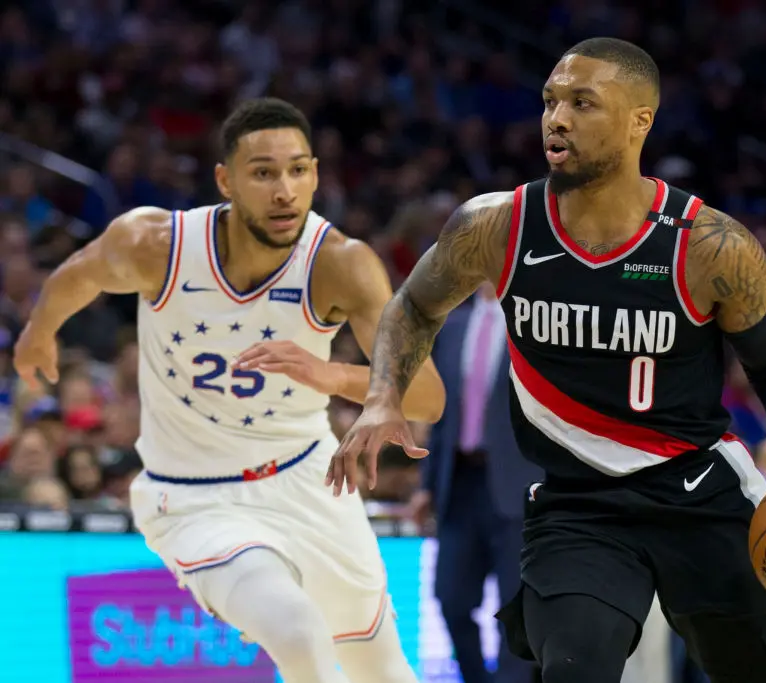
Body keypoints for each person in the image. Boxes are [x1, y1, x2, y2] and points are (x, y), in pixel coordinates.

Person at [334, 38, 766, 683]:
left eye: (583, 102)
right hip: (579, 506)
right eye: (550, 101)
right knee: (574, 665)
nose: (557, 118)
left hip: (700, 492)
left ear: (640, 121)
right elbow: (413, 306)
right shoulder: (496, 227)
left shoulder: (708, 246)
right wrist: (382, 396)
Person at [13, 97, 445, 683]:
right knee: (298, 633)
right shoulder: (157, 245)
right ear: (226, 180)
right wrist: (39, 331)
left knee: (383, 670)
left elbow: (427, 396)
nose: (285, 190)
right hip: (194, 496)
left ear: (316, 173)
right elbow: (78, 274)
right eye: (263, 172)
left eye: (298, 170)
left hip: (307, 478)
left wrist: (334, 377)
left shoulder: (340, 264)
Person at [406, 281, 541, 683]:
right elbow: (439, 417)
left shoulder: (535, 327)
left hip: (521, 486)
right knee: (450, 598)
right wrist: (426, 486)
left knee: (516, 605)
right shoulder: (451, 327)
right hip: (460, 482)